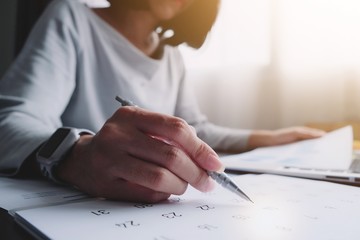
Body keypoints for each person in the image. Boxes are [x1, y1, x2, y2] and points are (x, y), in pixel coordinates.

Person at [0, 0, 324, 203]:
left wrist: (270, 138)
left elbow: (195, 131)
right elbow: (11, 122)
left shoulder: (172, 57)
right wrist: (77, 153)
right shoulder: (70, 16)